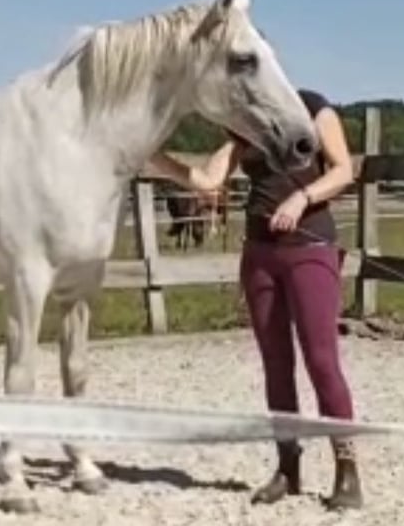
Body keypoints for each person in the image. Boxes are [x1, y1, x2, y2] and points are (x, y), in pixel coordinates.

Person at [145, 89, 362, 511]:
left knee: (321, 360)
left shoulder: (311, 108)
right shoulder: (243, 126)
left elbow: (342, 171)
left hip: (310, 249)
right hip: (260, 256)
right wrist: (154, 156)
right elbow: (207, 181)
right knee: (276, 364)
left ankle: (347, 468)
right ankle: (288, 465)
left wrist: (302, 197)